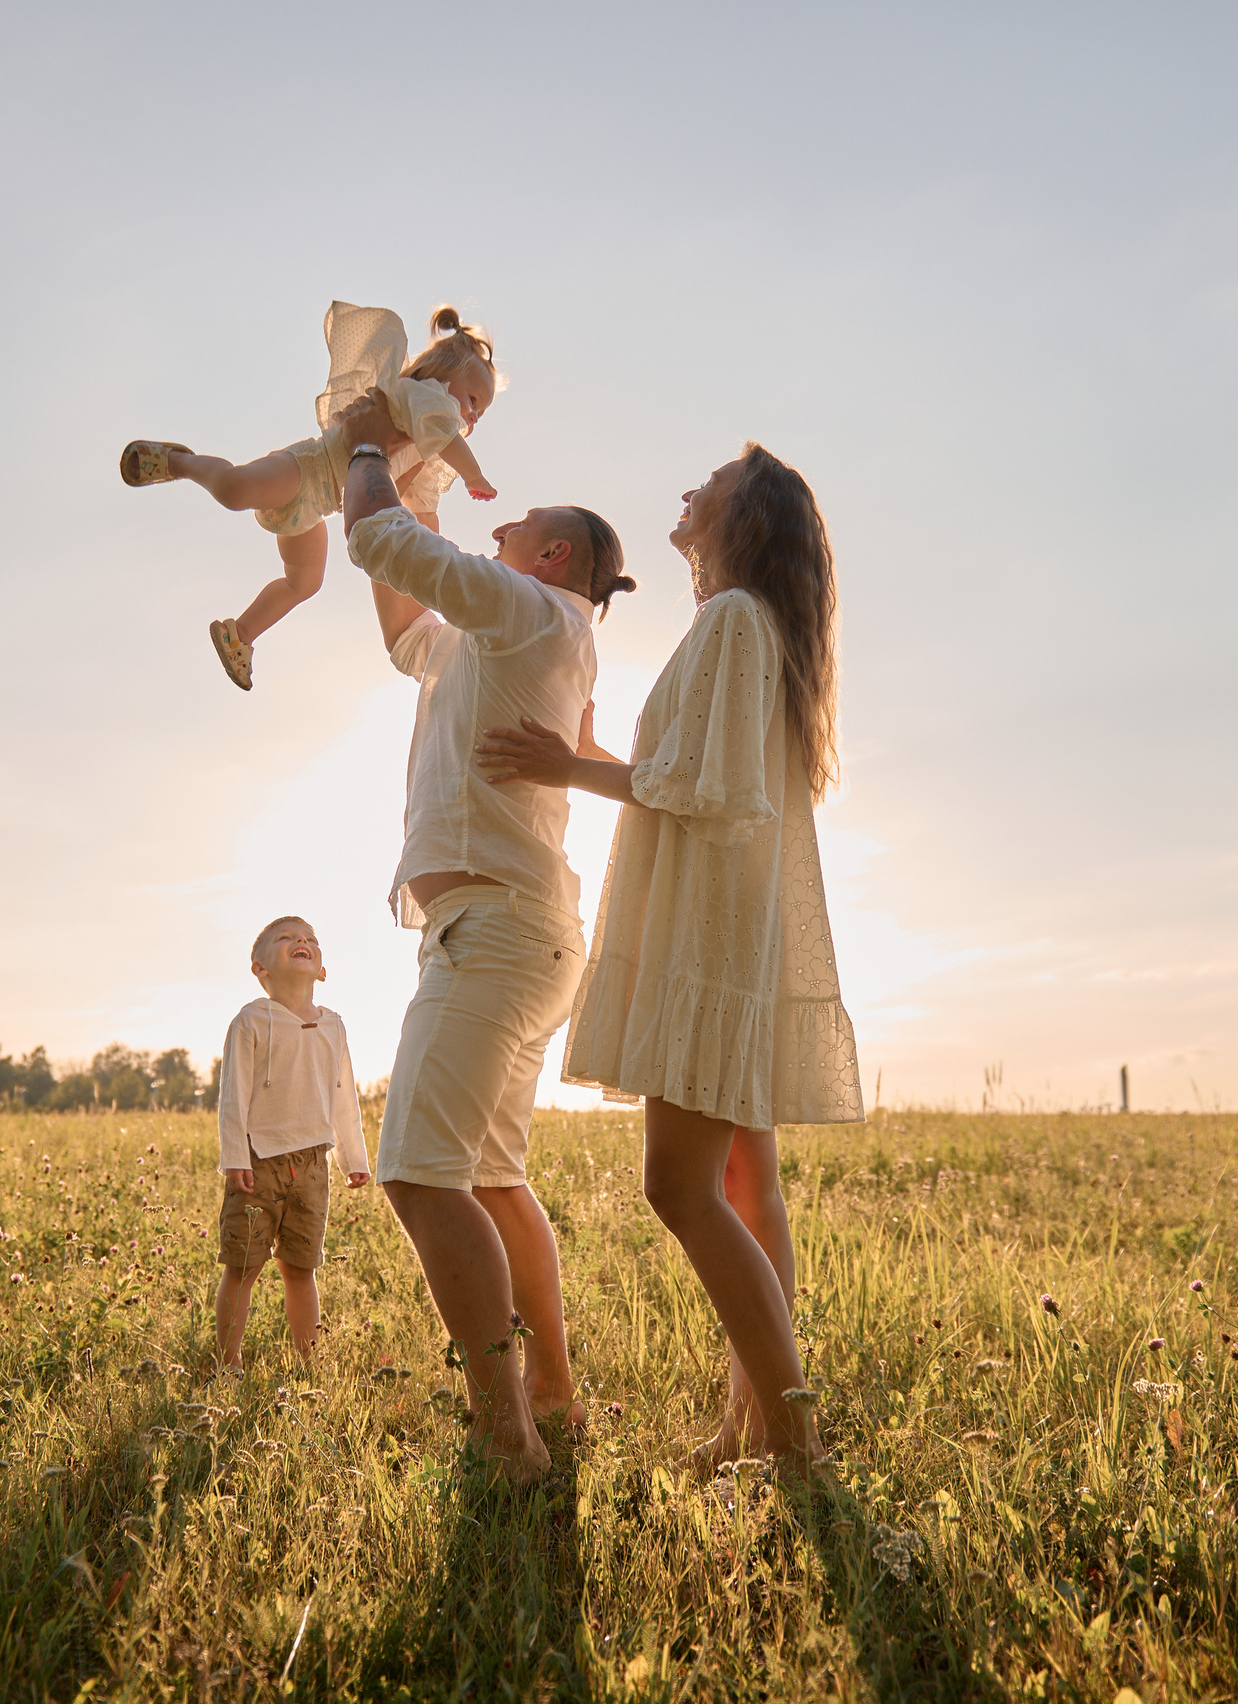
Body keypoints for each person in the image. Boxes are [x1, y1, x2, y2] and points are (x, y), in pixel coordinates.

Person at [473, 444, 863, 1472]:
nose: (689, 492)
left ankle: (791, 1440)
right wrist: (596, 759)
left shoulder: (733, 620)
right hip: (732, 921)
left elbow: (711, 788)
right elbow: (697, 775)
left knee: (678, 1186)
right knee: (743, 1184)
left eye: (714, 484)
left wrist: (569, 767)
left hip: (709, 930)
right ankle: (752, 1425)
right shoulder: (739, 625)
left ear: (748, 515)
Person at [332, 387, 636, 1484]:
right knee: (495, 1178)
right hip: (516, 931)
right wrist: (406, 477)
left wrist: (363, 439)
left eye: (515, 528)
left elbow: (375, 534)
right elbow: (402, 612)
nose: (494, 532)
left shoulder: (531, 610)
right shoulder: (501, 633)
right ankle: (549, 1395)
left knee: (419, 1177)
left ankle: (506, 1433)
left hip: (497, 933)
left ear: (551, 554)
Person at [120, 303, 500, 691]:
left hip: (318, 508)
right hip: (307, 469)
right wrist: (474, 475)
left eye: (480, 412)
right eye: (472, 400)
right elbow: (446, 434)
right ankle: (178, 461)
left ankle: (241, 634)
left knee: (304, 581)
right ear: (444, 375)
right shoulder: (425, 397)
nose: (472, 416)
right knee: (237, 490)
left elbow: (402, 497)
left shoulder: (423, 441)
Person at [213, 914, 371, 1372]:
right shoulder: (252, 1021)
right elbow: (233, 1095)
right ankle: (229, 1364)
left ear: (322, 969)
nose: (301, 941)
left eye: (309, 939)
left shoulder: (333, 1026)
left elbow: (344, 1098)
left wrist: (352, 1156)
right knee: (242, 1266)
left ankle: (309, 1365)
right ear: (259, 968)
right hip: (258, 1161)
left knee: (302, 1268)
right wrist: (234, 1157)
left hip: (314, 1163)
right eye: (285, 938)